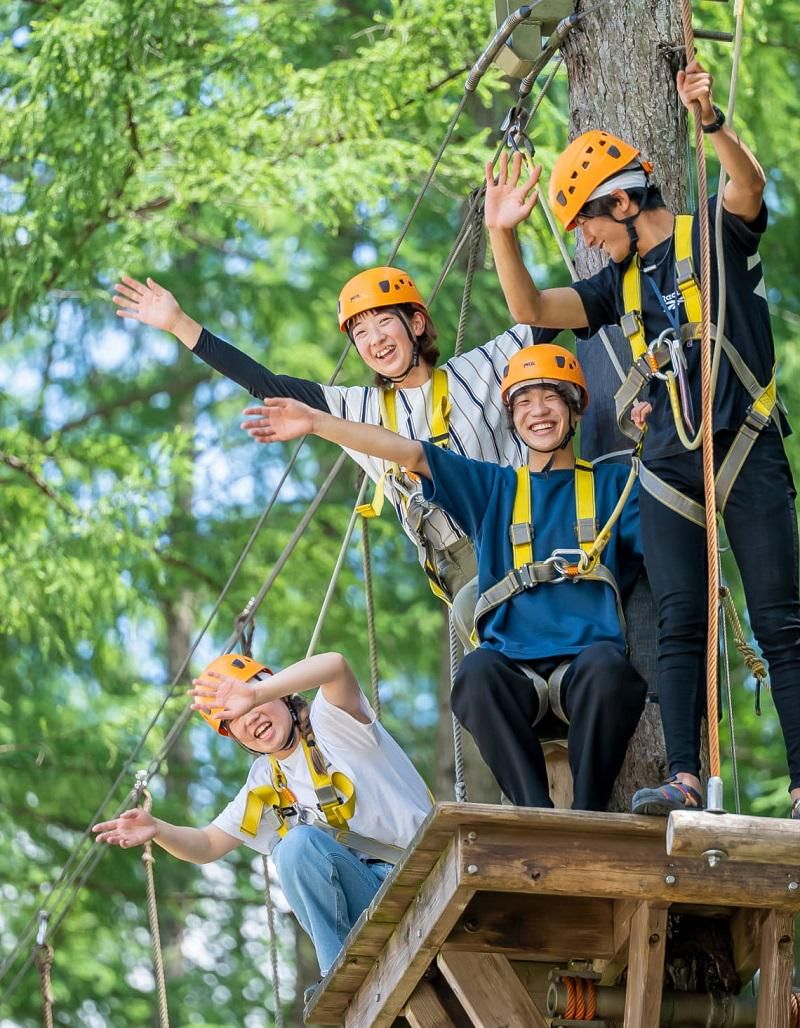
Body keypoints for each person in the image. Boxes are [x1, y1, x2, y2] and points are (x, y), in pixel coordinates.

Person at [483, 57, 800, 819]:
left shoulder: (713, 237)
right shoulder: (612, 286)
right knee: (681, 621)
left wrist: (712, 122)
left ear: (622, 203)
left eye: (589, 222)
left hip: (745, 443)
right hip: (666, 468)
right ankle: (687, 775)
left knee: (781, 619)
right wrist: (504, 236)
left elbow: (749, 189)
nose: (588, 241)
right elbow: (529, 302)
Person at [241, 344, 648, 811]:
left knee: (609, 670)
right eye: (524, 402)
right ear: (510, 416)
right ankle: (533, 813)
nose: (538, 412)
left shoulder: (616, 487)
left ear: (575, 408)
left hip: (586, 671)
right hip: (514, 676)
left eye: (551, 399)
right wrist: (318, 423)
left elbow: (671, 545)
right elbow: (409, 452)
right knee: (475, 674)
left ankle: (588, 814)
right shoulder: (494, 487)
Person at [112, 267, 557, 647]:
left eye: (384, 322)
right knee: (487, 647)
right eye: (360, 332)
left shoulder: (482, 367)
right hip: (461, 563)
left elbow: (544, 314)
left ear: (417, 324)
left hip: (522, 525)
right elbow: (265, 384)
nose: (374, 340)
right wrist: (179, 324)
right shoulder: (355, 410)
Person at [93, 651, 432, 979]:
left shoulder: (333, 724)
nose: (249, 716)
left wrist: (254, 694)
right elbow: (207, 844)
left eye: (251, 703)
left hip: (419, 871)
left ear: (280, 693)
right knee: (291, 849)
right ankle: (342, 973)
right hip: (372, 897)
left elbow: (335, 666)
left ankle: (339, 977)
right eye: (233, 718)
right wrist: (157, 829)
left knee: (296, 843)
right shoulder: (266, 783)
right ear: (237, 738)